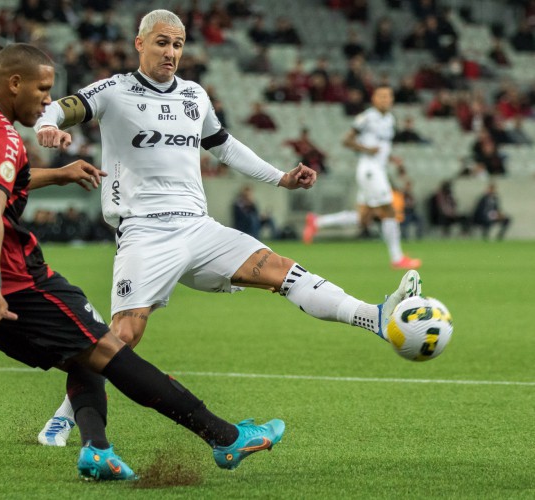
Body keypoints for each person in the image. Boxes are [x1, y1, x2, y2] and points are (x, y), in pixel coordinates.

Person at [34, 10, 422, 447]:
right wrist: (47, 126)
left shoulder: (194, 96)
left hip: (199, 228)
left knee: (281, 269)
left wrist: (280, 177)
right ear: (139, 43)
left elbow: (225, 147)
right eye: (162, 42)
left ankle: (375, 316)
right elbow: (59, 107)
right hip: (145, 232)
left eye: (178, 45)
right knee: (122, 337)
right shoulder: (114, 91)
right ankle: (63, 420)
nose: (171, 52)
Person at [0, 43, 287, 481]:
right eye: (42, 90)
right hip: (9, 280)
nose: (48, 100)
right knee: (108, 349)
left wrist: (59, 174)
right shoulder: (2, 136)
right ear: (14, 83)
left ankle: (97, 450)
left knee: (84, 353)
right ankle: (225, 437)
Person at [303, 86, 421, 270]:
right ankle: (397, 258)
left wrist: (391, 158)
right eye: (381, 96)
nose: (386, 99)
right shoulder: (367, 118)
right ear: (373, 99)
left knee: (363, 219)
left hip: (378, 168)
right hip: (369, 169)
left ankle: (317, 222)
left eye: (388, 96)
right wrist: (367, 150)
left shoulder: (390, 119)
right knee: (389, 209)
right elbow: (346, 140)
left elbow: (382, 146)